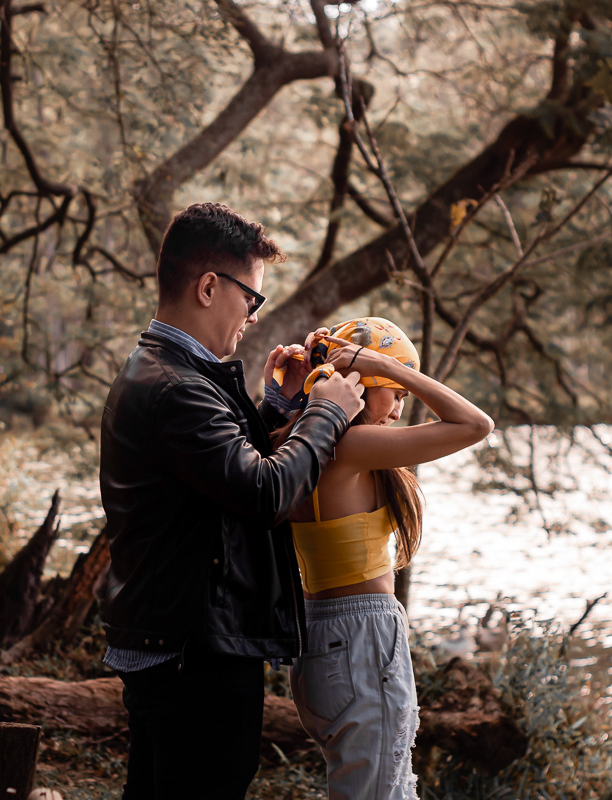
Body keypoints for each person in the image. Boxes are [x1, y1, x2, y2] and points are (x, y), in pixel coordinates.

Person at [98, 202, 365, 800]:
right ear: (210, 286)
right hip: (193, 655)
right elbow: (263, 491)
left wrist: (275, 409)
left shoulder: (163, 371)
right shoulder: (175, 388)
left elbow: (218, 476)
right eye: (252, 298)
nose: (251, 315)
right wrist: (327, 413)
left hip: (173, 642)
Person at [272, 317, 494, 799]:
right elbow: (476, 424)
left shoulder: (296, 443)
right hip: (361, 640)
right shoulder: (350, 446)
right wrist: (387, 365)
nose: (398, 409)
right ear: (359, 382)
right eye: (393, 392)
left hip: (317, 640)